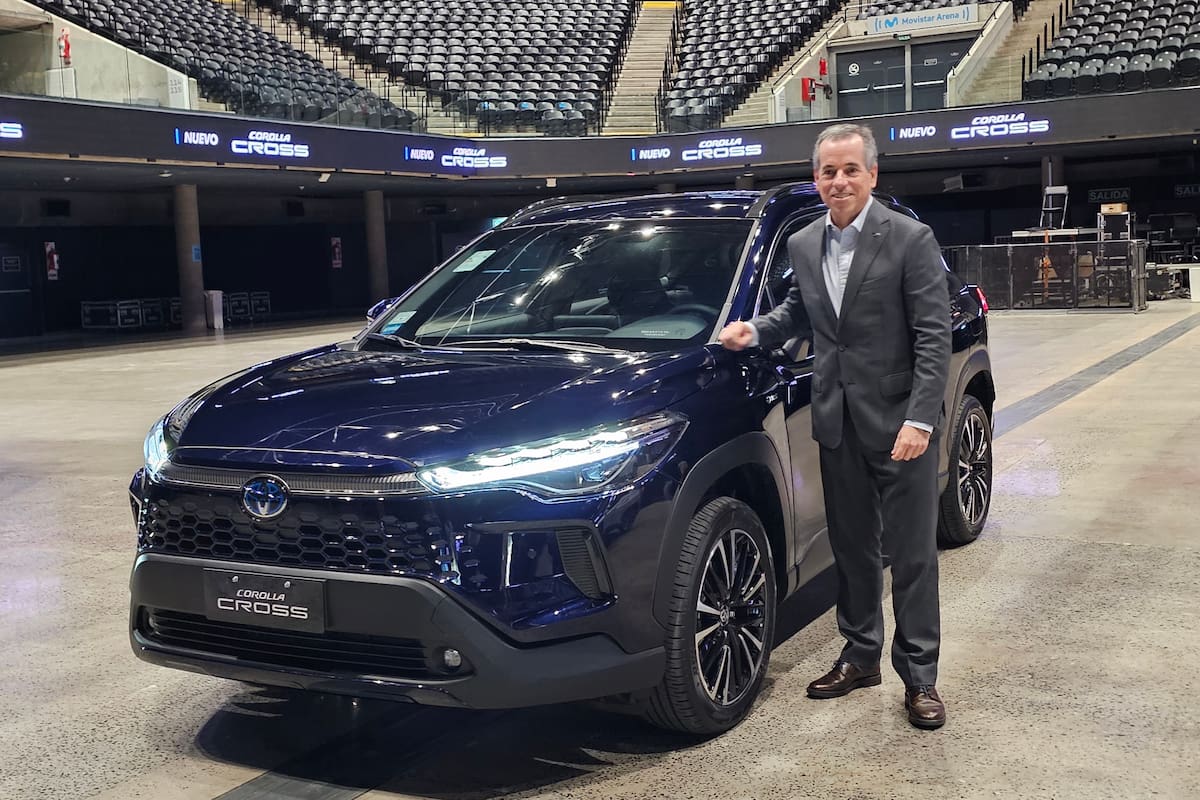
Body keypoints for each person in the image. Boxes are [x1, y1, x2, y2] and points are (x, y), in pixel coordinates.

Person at [718, 123, 952, 729]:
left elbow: (933, 336)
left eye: (850, 169)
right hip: (837, 422)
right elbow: (800, 312)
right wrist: (758, 330)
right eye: (828, 171)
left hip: (902, 425)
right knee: (851, 548)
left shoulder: (909, 238)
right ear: (815, 178)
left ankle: (920, 676)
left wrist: (921, 419)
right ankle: (861, 654)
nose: (839, 181)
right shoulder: (803, 243)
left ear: (872, 174)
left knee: (912, 555)